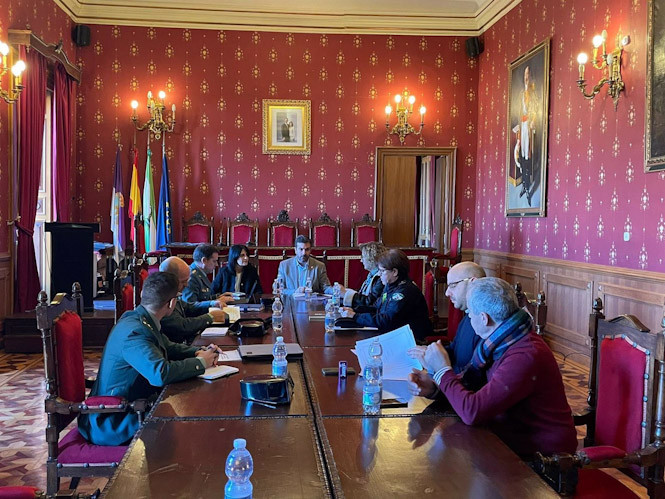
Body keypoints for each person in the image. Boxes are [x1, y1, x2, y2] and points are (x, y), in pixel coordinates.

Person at [408, 277, 577, 458]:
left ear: (484, 318)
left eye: (470, 313)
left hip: (543, 458)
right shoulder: (498, 343)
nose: (469, 317)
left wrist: (443, 371)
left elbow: (473, 411)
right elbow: (475, 391)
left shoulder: (525, 355)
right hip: (505, 439)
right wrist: (434, 387)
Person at [78, 272, 221, 446]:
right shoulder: (135, 332)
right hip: (114, 419)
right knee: (191, 426)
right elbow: (159, 374)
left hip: (133, 406)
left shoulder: (140, 318)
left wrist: (198, 352)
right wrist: (201, 363)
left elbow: (168, 346)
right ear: (171, 303)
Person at [408, 261, 486, 374]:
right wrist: (429, 353)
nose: (447, 293)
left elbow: (472, 374)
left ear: (472, 283)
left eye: (453, 286)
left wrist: (436, 370)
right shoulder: (469, 315)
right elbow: (455, 351)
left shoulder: (485, 323)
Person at [340, 249, 433, 341]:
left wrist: (356, 316)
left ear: (395, 272)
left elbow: (385, 321)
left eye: (382, 271)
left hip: (410, 340)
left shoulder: (404, 292)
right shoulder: (390, 286)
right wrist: (354, 310)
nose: (379, 274)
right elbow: (376, 308)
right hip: (394, 335)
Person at [159, 256, 227, 343]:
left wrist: (212, 304)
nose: (187, 285)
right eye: (183, 281)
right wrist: (209, 317)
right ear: (169, 279)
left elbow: (189, 307)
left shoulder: (173, 292)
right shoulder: (162, 297)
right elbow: (181, 326)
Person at [513, 64, 538, 206]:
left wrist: (533, 121)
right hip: (522, 126)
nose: (526, 78)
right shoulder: (521, 94)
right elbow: (517, 112)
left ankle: (528, 187)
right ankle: (524, 184)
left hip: (529, 126)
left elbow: (535, 110)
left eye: (528, 75)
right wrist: (517, 128)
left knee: (528, 155)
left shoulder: (533, 93)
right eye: (525, 75)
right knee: (521, 155)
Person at [182, 243, 233, 308]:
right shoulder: (191, 276)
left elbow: (203, 297)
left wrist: (218, 297)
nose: (216, 264)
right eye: (214, 261)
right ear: (204, 260)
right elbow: (189, 305)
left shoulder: (200, 273)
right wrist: (214, 303)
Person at [343, 241, 386, 309]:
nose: (361, 260)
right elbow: (362, 293)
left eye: (363, 257)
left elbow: (370, 302)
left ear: (371, 258)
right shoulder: (372, 275)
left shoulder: (381, 278)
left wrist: (345, 293)